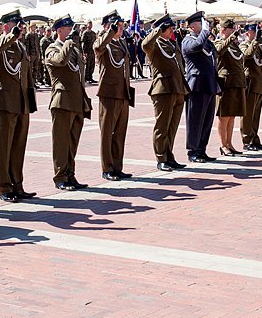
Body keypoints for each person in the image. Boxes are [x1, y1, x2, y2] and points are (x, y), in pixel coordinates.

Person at [0, 10, 37, 202]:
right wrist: (10, 36)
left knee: (18, 146)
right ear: (5, 26)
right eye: (17, 26)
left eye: (21, 26)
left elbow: (27, 74)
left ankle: (17, 184)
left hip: (21, 101)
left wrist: (30, 99)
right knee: (4, 147)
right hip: (5, 101)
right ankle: (4, 187)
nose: (21, 30)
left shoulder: (20, 47)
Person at [45, 15, 91, 189]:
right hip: (62, 101)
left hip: (77, 100)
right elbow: (60, 62)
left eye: (73, 28)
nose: (72, 32)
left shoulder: (74, 49)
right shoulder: (52, 49)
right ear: (59, 31)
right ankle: (60, 177)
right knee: (61, 142)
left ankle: (70, 175)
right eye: (68, 29)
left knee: (73, 142)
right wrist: (68, 44)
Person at [142, 15, 188, 171]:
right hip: (163, 89)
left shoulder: (171, 44)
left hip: (177, 88)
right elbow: (145, 44)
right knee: (162, 126)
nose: (171, 30)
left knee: (172, 126)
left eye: (171, 28)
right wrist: (156, 31)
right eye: (168, 28)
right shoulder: (155, 45)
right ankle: (161, 158)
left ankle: (169, 155)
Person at [94, 11, 133, 181]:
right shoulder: (104, 42)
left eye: (122, 24)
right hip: (108, 92)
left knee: (120, 133)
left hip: (123, 92)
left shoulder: (122, 43)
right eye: (117, 25)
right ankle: (107, 168)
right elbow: (98, 47)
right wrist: (110, 32)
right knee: (107, 133)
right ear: (108, 26)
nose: (121, 27)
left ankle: (117, 166)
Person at [181, 11, 219, 163]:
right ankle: (193, 151)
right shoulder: (187, 41)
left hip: (209, 83)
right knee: (195, 120)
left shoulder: (207, 42)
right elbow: (197, 46)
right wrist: (205, 32)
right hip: (196, 85)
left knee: (207, 120)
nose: (204, 26)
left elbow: (214, 56)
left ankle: (202, 149)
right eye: (200, 24)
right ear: (191, 26)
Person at [214, 18, 245, 155]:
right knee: (224, 115)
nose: (233, 32)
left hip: (236, 82)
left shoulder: (234, 45)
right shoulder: (219, 42)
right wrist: (232, 38)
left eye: (234, 30)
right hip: (226, 82)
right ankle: (222, 145)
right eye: (230, 30)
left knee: (232, 115)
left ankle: (229, 143)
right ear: (222, 30)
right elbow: (219, 51)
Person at [240, 24, 262, 150]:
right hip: (250, 83)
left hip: (258, 83)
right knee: (248, 114)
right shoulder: (243, 44)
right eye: (254, 32)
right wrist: (255, 41)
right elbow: (247, 55)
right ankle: (247, 140)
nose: (256, 35)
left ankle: (254, 138)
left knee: (256, 113)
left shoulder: (257, 46)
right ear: (247, 33)